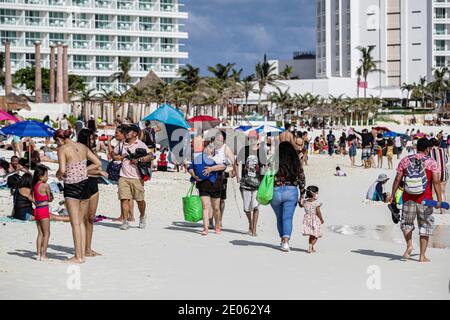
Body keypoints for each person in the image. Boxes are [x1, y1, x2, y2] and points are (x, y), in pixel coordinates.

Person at [389, 138, 443, 262]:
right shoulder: (431, 162)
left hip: (408, 198)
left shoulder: (405, 160)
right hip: (425, 200)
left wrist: (393, 195)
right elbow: (436, 182)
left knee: (406, 223)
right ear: (427, 149)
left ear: (416, 147)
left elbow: (398, 179)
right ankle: (422, 256)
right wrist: (439, 200)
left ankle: (409, 246)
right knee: (425, 225)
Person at [55, 129, 101, 264]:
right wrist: (83, 170)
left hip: (72, 186)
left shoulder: (62, 149)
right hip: (85, 185)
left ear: (59, 139)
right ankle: (82, 255)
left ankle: (78, 256)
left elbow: (62, 170)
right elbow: (97, 163)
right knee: (81, 222)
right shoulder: (83, 147)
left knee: (75, 223)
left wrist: (58, 174)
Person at [112, 125, 153, 231]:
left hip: (137, 177)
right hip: (123, 176)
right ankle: (125, 221)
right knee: (124, 199)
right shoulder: (122, 144)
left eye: (128, 131)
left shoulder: (140, 144)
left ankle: (142, 216)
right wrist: (115, 156)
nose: (126, 133)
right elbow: (113, 153)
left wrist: (139, 160)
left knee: (140, 200)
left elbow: (151, 156)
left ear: (135, 133)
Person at [271, 142, 306, 252]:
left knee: (279, 218)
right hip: (291, 191)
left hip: (275, 191)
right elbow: (301, 178)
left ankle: (282, 239)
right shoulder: (296, 162)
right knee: (287, 218)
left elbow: (265, 174)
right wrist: (302, 196)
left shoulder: (274, 160)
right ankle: (286, 242)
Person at [188, 142, 227, 235]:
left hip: (215, 185)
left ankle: (217, 226)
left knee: (216, 208)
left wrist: (211, 169)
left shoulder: (218, 158)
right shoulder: (199, 158)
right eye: (208, 147)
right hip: (202, 185)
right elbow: (190, 167)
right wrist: (193, 174)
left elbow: (224, 166)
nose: (209, 149)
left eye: (211, 148)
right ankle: (205, 228)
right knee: (205, 206)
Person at [78, 128, 105, 257]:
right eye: (91, 138)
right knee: (82, 219)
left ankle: (88, 248)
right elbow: (77, 170)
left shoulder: (92, 151)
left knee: (90, 219)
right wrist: (98, 172)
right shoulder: (79, 151)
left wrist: (97, 171)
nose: (93, 140)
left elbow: (98, 168)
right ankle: (81, 248)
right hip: (83, 185)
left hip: (94, 185)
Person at [236, 130, 267, 237]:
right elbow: (237, 163)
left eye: (254, 138)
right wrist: (237, 176)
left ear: (257, 139)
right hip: (245, 183)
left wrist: (264, 179)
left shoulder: (261, 151)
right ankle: (250, 223)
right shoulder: (244, 150)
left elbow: (264, 167)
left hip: (258, 184)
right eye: (250, 138)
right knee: (246, 208)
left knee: (255, 206)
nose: (252, 140)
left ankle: (254, 228)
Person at [211, 130, 237, 229]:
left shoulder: (226, 148)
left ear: (224, 139)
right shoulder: (212, 147)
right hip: (211, 174)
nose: (218, 141)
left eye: (220, 139)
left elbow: (233, 161)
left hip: (222, 175)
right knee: (210, 199)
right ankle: (210, 220)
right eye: (217, 138)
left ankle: (219, 219)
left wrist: (234, 172)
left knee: (221, 200)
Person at [32, 166, 53, 261]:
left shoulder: (35, 185)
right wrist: (51, 196)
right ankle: (44, 255)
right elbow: (50, 198)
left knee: (40, 233)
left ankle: (38, 254)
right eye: (46, 175)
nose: (47, 177)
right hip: (44, 209)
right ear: (41, 176)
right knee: (47, 233)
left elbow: (31, 197)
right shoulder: (45, 186)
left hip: (37, 209)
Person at [302, 186, 324, 253]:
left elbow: (301, 204)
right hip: (315, 219)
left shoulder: (305, 202)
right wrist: (321, 219)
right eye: (317, 192)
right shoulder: (316, 202)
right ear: (313, 193)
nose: (317, 194)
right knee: (316, 235)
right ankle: (310, 246)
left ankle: (311, 247)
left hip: (307, 219)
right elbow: (318, 212)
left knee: (312, 234)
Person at [430, 138, 448, 215]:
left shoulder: (430, 151)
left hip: (435, 173)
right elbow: (446, 160)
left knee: (433, 193)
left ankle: (429, 210)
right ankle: (442, 210)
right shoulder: (443, 150)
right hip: (444, 173)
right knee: (442, 192)